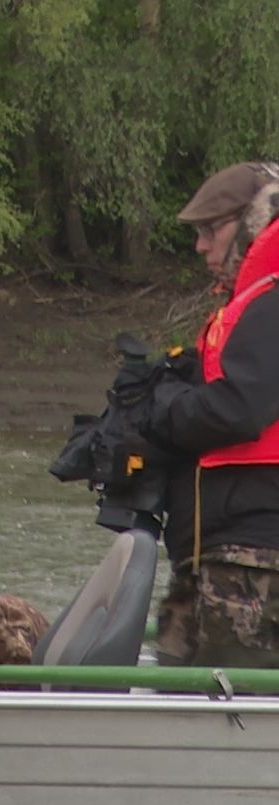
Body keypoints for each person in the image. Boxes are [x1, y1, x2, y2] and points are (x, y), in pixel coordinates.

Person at [146, 161, 279, 667]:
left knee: (230, 717)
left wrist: (165, 407)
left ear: (251, 223)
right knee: (186, 710)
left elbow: (241, 410)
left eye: (211, 229)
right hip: (221, 552)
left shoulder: (272, 302)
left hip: (253, 560)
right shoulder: (252, 302)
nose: (200, 245)